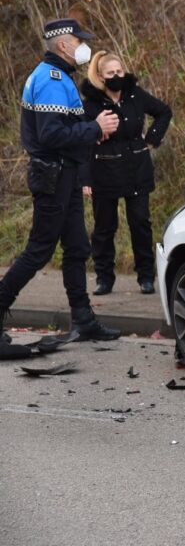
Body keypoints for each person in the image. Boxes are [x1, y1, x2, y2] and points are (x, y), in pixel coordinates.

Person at [0, 19, 121, 359]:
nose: (85, 46)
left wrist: (93, 130)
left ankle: (83, 319)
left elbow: (68, 131)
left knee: (77, 247)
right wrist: (94, 127)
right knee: (39, 250)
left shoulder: (61, 77)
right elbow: (51, 136)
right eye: (80, 40)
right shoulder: (51, 80)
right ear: (64, 45)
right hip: (52, 175)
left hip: (63, 175)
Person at [80, 51, 172, 295]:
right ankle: (104, 278)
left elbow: (164, 111)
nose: (116, 76)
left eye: (119, 72)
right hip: (104, 168)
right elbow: (82, 139)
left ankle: (146, 277)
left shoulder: (135, 94)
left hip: (136, 167)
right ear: (100, 76)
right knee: (104, 226)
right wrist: (85, 177)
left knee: (140, 222)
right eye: (110, 73)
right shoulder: (90, 104)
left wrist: (152, 139)